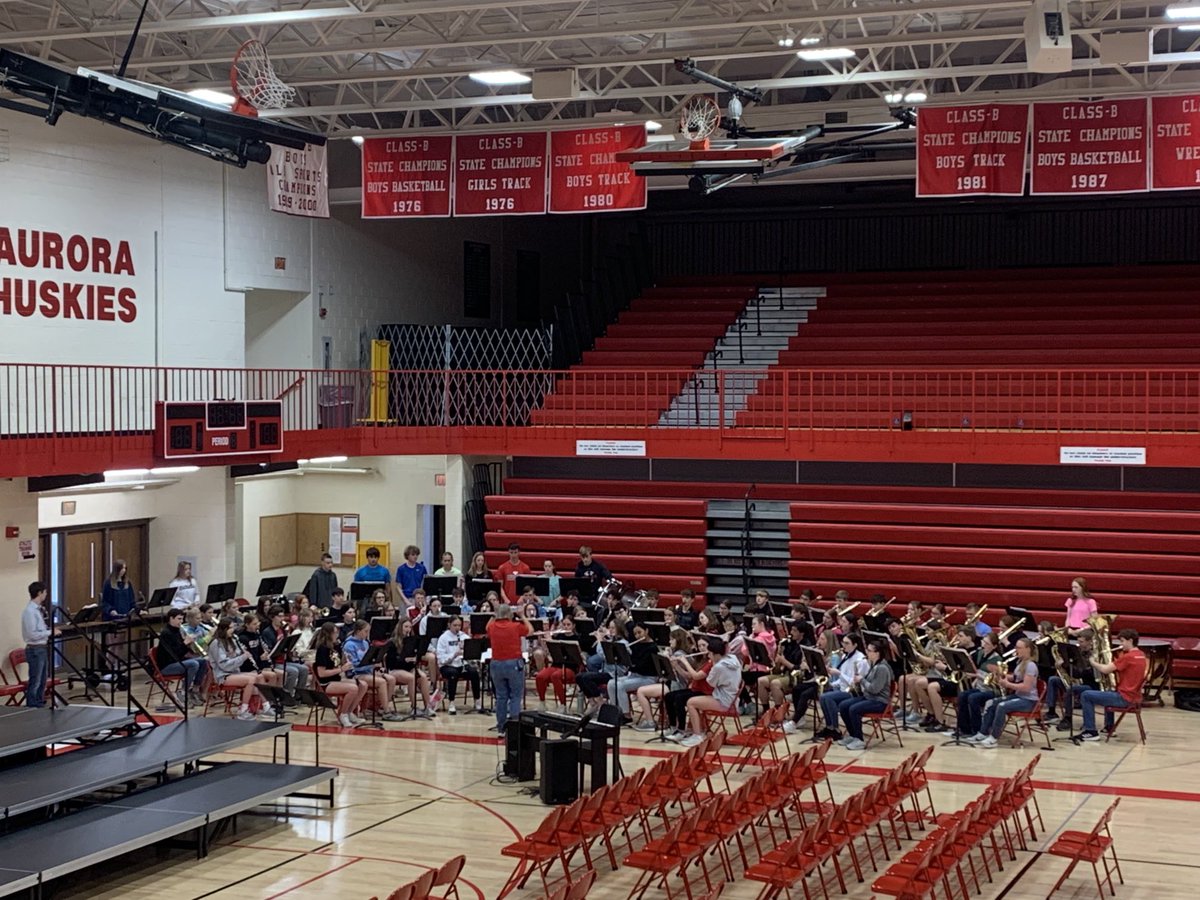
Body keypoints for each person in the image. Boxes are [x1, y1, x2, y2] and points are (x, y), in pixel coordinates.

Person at [968, 637, 1039, 747]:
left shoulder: (1031, 665)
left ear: (1028, 649)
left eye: (1019, 648)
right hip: (1019, 696)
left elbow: (1026, 687)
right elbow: (1015, 678)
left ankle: (994, 737)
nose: (1016, 650)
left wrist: (1007, 684)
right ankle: (983, 732)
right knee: (991, 703)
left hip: (1028, 701)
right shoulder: (1021, 663)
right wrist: (1000, 675)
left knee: (1002, 706)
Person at [1078, 629, 1148, 741]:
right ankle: (1109, 727)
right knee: (1108, 690)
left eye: (1122, 641)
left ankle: (1090, 731)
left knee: (1086, 695)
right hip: (1135, 698)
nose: (1121, 645)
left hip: (1125, 698)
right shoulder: (1141, 655)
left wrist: (1092, 661)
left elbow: (1105, 670)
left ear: (1130, 640)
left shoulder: (1128, 657)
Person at [207, 616, 275, 721]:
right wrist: (242, 657)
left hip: (235, 672)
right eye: (230, 628)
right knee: (250, 680)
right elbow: (224, 665)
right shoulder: (216, 643)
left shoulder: (233, 639)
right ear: (224, 629)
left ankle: (266, 707)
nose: (233, 630)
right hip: (223, 675)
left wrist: (243, 654)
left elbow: (238, 655)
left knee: (260, 676)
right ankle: (243, 710)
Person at [680, 637, 742, 747]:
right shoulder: (733, 658)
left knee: (691, 702)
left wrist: (712, 664)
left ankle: (697, 735)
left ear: (716, 654)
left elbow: (711, 683)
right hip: (733, 698)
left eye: (710, 654)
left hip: (724, 701)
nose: (708, 656)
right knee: (697, 700)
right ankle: (701, 729)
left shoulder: (718, 667)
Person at [834, 640, 894, 750]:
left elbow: (875, 689)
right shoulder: (873, 664)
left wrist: (862, 680)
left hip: (880, 702)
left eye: (869, 651)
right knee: (843, 705)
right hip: (870, 697)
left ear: (877, 653)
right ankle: (852, 735)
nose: (867, 652)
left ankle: (859, 739)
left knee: (853, 709)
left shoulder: (882, 668)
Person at [487, 603, 534, 737]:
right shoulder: (515, 626)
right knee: (515, 696)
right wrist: (522, 616)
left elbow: (487, 628)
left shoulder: (492, 627)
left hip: (496, 664)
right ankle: (514, 727)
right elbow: (530, 630)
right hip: (513, 663)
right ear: (510, 614)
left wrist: (493, 616)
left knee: (501, 697)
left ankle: (501, 728)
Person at [633, 628, 695, 729]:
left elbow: (687, 676)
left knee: (641, 691)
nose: (669, 641)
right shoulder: (678, 652)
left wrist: (672, 663)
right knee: (644, 690)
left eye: (671, 639)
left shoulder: (680, 655)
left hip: (678, 686)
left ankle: (650, 722)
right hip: (671, 683)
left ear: (678, 640)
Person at [312, 622, 367, 728]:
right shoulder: (322, 649)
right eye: (335, 633)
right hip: (326, 683)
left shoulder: (335, 646)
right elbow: (321, 673)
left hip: (336, 679)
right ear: (328, 634)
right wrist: (341, 669)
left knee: (363, 685)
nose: (337, 635)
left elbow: (339, 663)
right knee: (353, 689)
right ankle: (342, 714)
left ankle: (350, 712)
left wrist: (346, 660)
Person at [816, 634, 869, 739]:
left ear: (855, 645)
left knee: (828, 698)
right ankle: (829, 726)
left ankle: (836, 729)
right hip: (843, 688)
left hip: (854, 692)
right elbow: (842, 681)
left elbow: (855, 683)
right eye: (843, 643)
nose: (844, 645)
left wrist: (839, 673)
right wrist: (831, 683)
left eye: (847, 643)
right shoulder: (846, 656)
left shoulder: (860, 660)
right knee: (823, 696)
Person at [1043, 631, 1098, 730]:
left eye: (1082, 642)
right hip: (1078, 682)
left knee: (1071, 689)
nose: (1079, 644)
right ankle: (1051, 712)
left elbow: (1081, 673)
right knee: (1053, 679)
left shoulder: (1094, 655)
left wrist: (1065, 665)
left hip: (1091, 685)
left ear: (1090, 642)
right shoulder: (1078, 652)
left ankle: (1068, 719)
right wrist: (1060, 666)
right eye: (1078, 641)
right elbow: (1073, 672)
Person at [344, 619, 398, 720]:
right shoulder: (349, 645)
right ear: (358, 631)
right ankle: (386, 712)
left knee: (391, 679)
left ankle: (382, 707)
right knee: (381, 682)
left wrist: (376, 666)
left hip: (368, 671)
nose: (367, 634)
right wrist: (371, 666)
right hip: (356, 673)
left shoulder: (365, 643)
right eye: (366, 631)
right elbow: (353, 665)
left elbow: (370, 659)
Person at [155, 607, 210, 706]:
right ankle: (183, 691)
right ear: (171, 618)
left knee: (203, 661)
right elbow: (174, 653)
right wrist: (185, 643)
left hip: (177, 661)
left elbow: (182, 652)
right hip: (167, 665)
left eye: (182, 619)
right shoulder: (166, 633)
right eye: (179, 619)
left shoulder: (177, 630)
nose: (181, 622)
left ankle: (195, 689)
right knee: (193, 664)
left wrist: (191, 645)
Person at [384, 618, 436, 718]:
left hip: (408, 668)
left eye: (409, 627)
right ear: (400, 628)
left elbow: (416, 656)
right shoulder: (392, 642)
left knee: (423, 677)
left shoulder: (412, 641)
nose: (408, 629)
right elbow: (390, 662)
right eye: (406, 627)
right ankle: (414, 707)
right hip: (395, 669)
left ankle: (427, 707)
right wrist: (404, 660)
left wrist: (415, 659)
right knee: (411, 677)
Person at [955, 632, 1003, 739]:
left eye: (987, 643)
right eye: (983, 642)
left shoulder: (997, 660)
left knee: (973, 698)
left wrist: (976, 675)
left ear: (994, 646)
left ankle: (977, 730)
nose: (983, 645)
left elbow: (994, 680)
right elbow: (977, 670)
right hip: (981, 687)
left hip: (992, 691)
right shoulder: (980, 653)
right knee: (963, 695)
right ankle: (964, 729)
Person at [261, 605, 310, 703]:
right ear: (272, 617)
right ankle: (286, 697)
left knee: (304, 669)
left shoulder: (283, 630)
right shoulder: (267, 632)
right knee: (293, 671)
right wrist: (279, 643)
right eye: (279, 616)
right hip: (275, 662)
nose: (282, 619)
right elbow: (270, 650)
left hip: (285, 660)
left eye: (283, 616)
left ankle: (299, 694)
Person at [436, 616, 481, 715]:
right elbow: (441, 659)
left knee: (474, 673)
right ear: (449, 625)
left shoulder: (464, 636)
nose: (457, 628)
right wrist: (454, 654)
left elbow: (472, 653)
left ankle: (477, 701)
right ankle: (451, 703)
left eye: (459, 625)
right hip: (448, 666)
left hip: (462, 664)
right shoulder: (443, 638)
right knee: (453, 674)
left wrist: (466, 653)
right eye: (454, 625)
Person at [536, 617, 581, 711]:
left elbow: (578, 657)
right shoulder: (558, 637)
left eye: (568, 625)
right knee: (540, 676)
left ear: (573, 626)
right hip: (557, 665)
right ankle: (542, 702)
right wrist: (546, 640)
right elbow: (550, 654)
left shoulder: (577, 638)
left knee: (555, 676)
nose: (566, 627)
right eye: (564, 625)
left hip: (571, 668)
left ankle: (563, 705)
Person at [21, 581, 50, 708]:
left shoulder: (38, 610)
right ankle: (32, 705)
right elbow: (32, 634)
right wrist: (49, 632)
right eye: (45, 592)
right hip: (35, 649)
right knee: (36, 680)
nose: (46, 595)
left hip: (42, 648)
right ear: (39, 593)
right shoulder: (29, 612)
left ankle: (39, 702)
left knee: (42, 680)